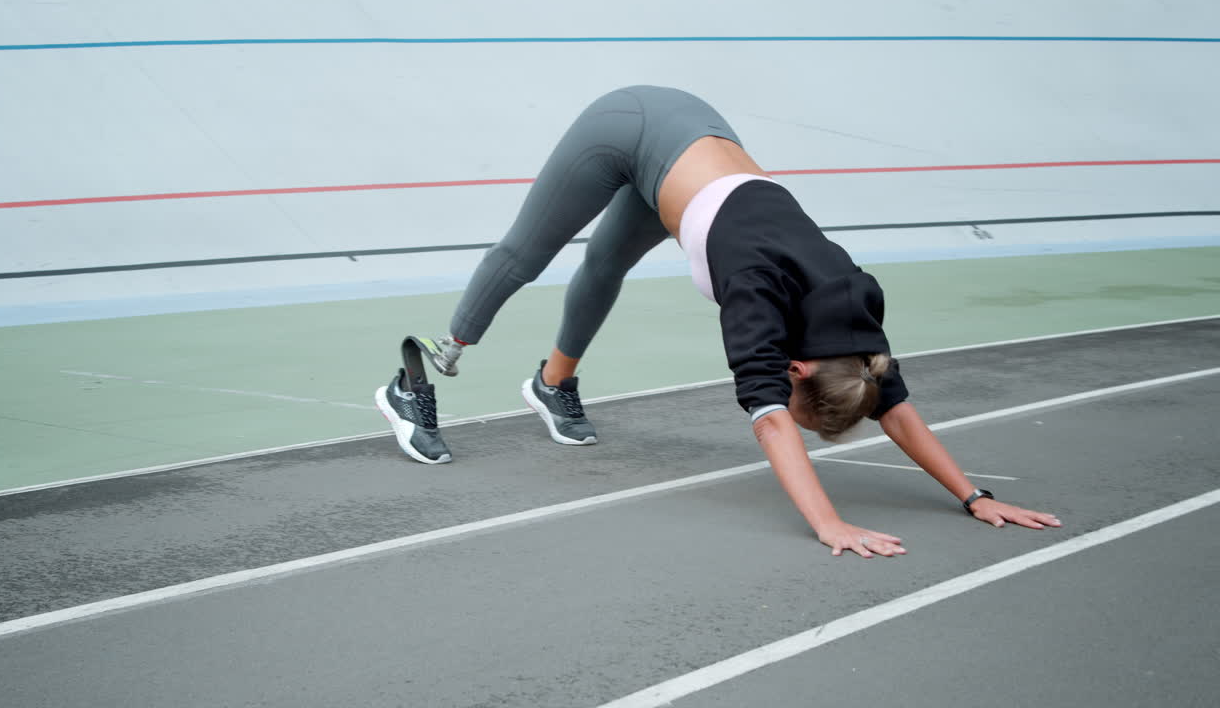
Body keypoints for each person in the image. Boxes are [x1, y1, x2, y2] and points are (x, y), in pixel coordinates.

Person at [374, 85, 1062, 558]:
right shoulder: (756, 297)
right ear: (796, 370)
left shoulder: (853, 321)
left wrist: (974, 496)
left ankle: (554, 384)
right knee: (530, 252)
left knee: (606, 265)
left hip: (688, 161)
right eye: (798, 405)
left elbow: (896, 407)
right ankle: (435, 364)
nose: (785, 409)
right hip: (633, 126)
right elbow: (767, 419)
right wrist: (828, 524)